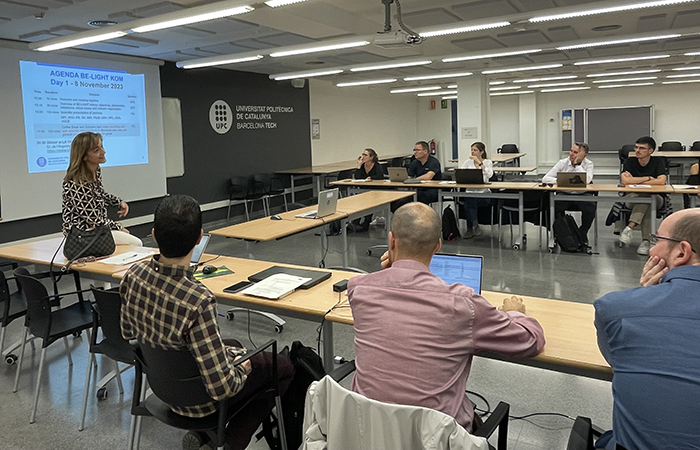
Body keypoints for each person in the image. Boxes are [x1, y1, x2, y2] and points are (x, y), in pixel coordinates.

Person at [348, 202, 545, 432]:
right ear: (438, 246)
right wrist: (515, 313)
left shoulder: (358, 289)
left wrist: (395, 267)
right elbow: (530, 341)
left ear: (391, 240)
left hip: (367, 432)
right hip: (435, 439)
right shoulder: (464, 304)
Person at [120, 195, 294, 450]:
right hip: (200, 404)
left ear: (154, 235)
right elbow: (223, 388)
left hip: (162, 389)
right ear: (199, 237)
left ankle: (205, 437)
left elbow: (128, 334)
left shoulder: (133, 275)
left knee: (233, 344)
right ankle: (225, 442)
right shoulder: (198, 300)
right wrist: (243, 368)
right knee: (283, 367)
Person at [594, 208, 700, 450]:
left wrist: (644, 296)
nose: (651, 250)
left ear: (682, 252)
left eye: (657, 240)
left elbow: (620, 359)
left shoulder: (616, 310)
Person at [62, 131, 134, 242]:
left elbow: (99, 194)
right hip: (83, 234)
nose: (103, 152)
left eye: (102, 147)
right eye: (96, 150)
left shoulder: (95, 171)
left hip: (98, 229)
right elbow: (94, 219)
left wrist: (118, 202)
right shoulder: (76, 183)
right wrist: (119, 228)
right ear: (84, 156)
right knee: (134, 242)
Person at [619, 136, 667, 255]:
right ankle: (646, 241)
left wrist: (635, 180)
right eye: (636, 147)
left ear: (650, 151)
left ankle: (630, 227)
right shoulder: (630, 161)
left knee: (648, 199)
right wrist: (649, 178)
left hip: (656, 197)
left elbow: (662, 181)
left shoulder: (658, 162)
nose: (637, 150)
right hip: (632, 197)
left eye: (642, 148)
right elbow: (625, 181)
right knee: (647, 201)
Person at [542, 142, 596, 243]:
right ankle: (561, 233)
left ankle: (582, 233)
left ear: (584, 155)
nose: (571, 154)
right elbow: (545, 178)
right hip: (564, 194)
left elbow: (587, 180)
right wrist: (559, 181)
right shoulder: (562, 163)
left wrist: (577, 165)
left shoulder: (588, 164)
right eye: (571, 151)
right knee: (551, 207)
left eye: (575, 152)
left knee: (591, 207)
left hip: (582, 194)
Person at [459, 142, 493, 238]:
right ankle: (475, 225)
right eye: (472, 150)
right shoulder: (467, 162)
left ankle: (470, 228)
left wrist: (480, 163)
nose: (472, 152)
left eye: (475, 150)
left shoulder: (488, 162)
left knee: (470, 202)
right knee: (470, 200)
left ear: (481, 152)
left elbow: (489, 174)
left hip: (483, 193)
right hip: (470, 192)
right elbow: (462, 174)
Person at [352, 148, 384, 231]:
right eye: (362, 154)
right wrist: (359, 165)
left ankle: (367, 221)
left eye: (365, 155)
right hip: (363, 188)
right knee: (359, 200)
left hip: (375, 189)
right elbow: (357, 177)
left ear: (371, 157)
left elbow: (380, 176)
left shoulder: (377, 165)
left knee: (369, 200)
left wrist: (371, 178)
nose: (363, 157)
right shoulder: (363, 166)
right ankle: (355, 222)